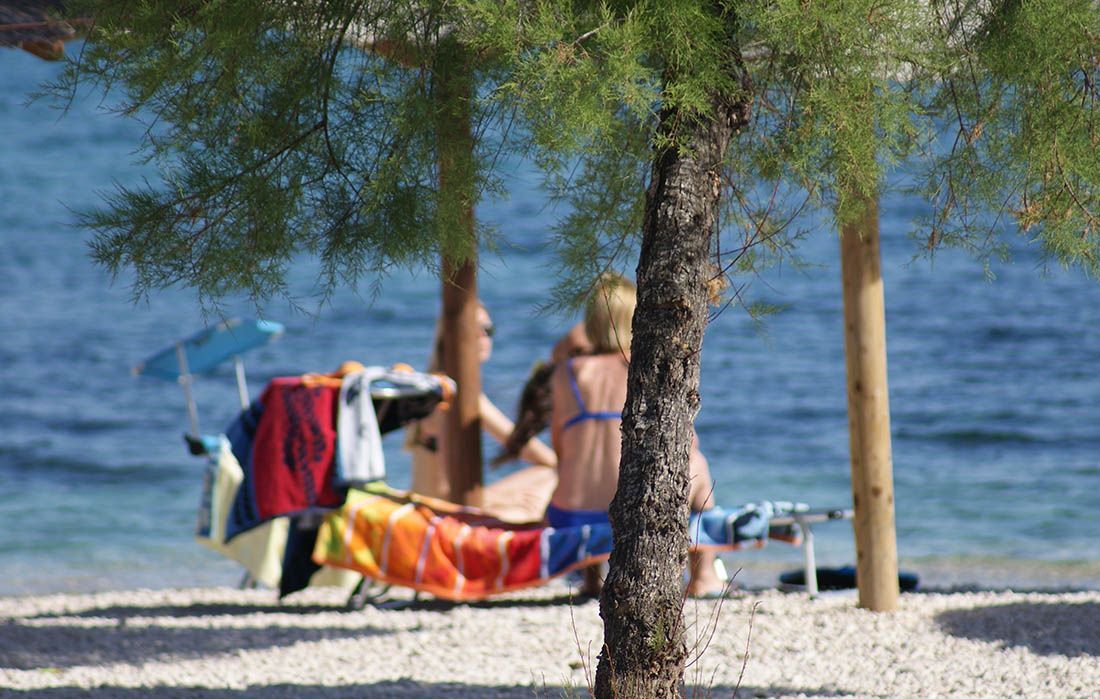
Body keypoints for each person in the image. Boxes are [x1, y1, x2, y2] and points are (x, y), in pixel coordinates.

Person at [544, 271, 725, 597]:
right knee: (696, 462)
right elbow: (685, 442)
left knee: (581, 463)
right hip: (630, 513)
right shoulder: (643, 367)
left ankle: (591, 579)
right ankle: (703, 575)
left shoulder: (566, 373)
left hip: (570, 515)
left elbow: (559, 444)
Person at [404, 303, 558, 522]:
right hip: (444, 515)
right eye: (474, 329)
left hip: (425, 504)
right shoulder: (462, 395)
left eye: (488, 330)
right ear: (452, 336)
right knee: (551, 477)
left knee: (538, 485)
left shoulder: (433, 385)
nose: (483, 337)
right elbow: (530, 450)